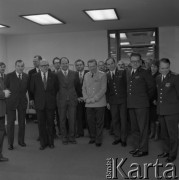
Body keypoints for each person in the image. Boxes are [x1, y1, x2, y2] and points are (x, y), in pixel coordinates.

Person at [127, 53, 155, 157]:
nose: (134, 63)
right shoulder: (130, 72)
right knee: (134, 128)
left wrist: (145, 99)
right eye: (132, 61)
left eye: (137, 61)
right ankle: (137, 147)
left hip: (142, 105)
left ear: (140, 62)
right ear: (130, 62)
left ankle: (144, 149)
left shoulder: (145, 72)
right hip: (132, 105)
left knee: (143, 128)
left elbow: (152, 88)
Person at [30, 60, 59, 150]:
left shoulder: (53, 76)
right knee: (41, 125)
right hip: (39, 104)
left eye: (46, 65)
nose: (45, 67)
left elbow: (56, 89)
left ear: (48, 66)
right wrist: (31, 100)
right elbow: (31, 90)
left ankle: (51, 143)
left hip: (50, 104)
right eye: (42, 66)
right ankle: (43, 143)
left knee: (50, 124)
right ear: (39, 67)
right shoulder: (34, 76)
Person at [157, 58, 179, 163]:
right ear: (159, 68)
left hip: (172, 111)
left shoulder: (175, 77)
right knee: (164, 133)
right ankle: (166, 151)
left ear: (169, 67)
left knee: (172, 134)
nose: (165, 70)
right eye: (162, 68)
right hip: (161, 110)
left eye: (167, 68)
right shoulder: (157, 78)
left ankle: (173, 154)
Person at [5, 60, 29, 150]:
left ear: (24, 67)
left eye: (22, 66)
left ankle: (21, 141)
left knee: (22, 123)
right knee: (10, 123)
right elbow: (5, 88)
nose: (20, 68)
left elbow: (27, 89)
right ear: (15, 66)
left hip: (22, 102)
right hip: (11, 102)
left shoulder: (27, 76)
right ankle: (10, 144)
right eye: (18, 66)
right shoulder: (9, 76)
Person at [82, 59, 107, 147]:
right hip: (88, 103)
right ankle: (92, 137)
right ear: (88, 67)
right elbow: (83, 88)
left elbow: (103, 89)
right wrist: (85, 98)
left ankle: (98, 139)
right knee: (90, 122)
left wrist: (93, 99)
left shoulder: (103, 75)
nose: (91, 68)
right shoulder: (86, 75)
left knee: (99, 122)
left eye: (93, 66)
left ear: (96, 66)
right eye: (90, 66)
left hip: (99, 103)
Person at [57, 57, 78, 145]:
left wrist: (78, 96)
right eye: (63, 63)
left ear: (68, 64)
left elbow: (77, 86)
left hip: (72, 99)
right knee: (62, 119)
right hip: (61, 100)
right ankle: (64, 137)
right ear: (60, 64)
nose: (64, 65)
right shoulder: (56, 75)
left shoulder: (74, 73)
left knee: (72, 119)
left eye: (66, 63)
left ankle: (72, 137)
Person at [106, 57, 127, 147]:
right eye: (108, 64)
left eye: (112, 63)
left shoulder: (122, 72)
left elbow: (126, 86)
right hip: (113, 101)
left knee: (123, 120)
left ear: (115, 63)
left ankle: (123, 139)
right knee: (115, 120)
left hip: (123, 100)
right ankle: (117, 138)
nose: (110, 65)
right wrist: (107, 102)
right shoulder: (106, 75)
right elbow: (106, 90)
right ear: (106, 66)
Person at [75, 59, 88, 138]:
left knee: (89, 117)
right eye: (77, 65)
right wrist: (77, 97)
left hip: (87, 99)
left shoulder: (88, 73)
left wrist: (85, 97)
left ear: (84, 65)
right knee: (78, 117)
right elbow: (72, 88)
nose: (79, 66)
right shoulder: (74, 74)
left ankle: (91, 133)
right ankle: (80, 132)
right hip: (78, 99)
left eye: (80, 64)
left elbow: (91, 87)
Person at [0, 62, 11, 161]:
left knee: (2, 132)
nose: (2, 69)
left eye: (4, 67)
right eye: (1, 67)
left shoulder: (3, 77)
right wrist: (4, 94)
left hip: (2, 109)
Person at [149, 60, 160, 140]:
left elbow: (159, 90)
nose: (153, 68)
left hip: (155, 100)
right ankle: (152, 132)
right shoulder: (148, 75)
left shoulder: (159, 76)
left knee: (156, 118)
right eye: (152, 66)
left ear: (158, 68)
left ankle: (156, 134)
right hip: (148, 99)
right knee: (150, 117)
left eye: (155, 67)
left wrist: (156, 99)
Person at [52, 57, 61, 137]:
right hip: (52, 98)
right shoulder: (50, 73)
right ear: (53, 64)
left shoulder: (64, 72)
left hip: (62, 98)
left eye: (58, 62)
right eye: (55, 63)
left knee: (61, 116)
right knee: (52, 116)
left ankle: (62, 131)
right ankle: (53, 133)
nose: (57, 64)